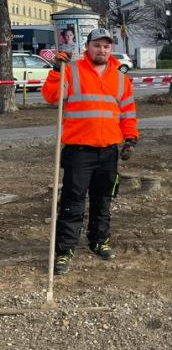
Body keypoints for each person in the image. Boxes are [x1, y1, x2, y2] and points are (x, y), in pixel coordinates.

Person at [42, 28, 139, 275]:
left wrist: (130, 138)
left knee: (103, 199)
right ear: (88, 46)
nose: (102, 50)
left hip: (108, 150)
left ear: (111, 48)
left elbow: (127, 110)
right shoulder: (71, 70)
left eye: (106, 46)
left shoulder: (120, 76)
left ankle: (99, 240)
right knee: (72, 202)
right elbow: (52, 97)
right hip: (79, 150)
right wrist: (55, 71)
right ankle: (65, 250)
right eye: (97, 45)